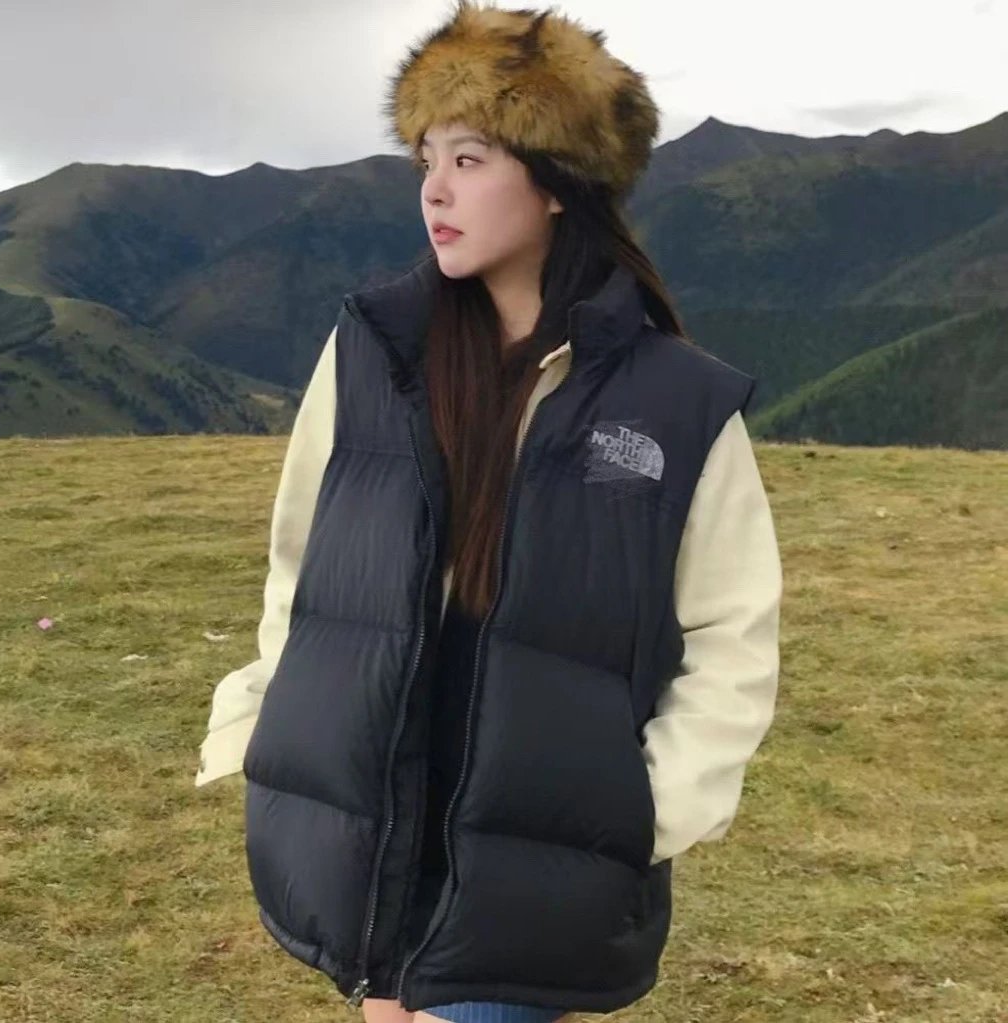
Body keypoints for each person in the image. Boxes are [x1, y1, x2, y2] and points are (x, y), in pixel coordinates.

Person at [195, 2, 783, 1022]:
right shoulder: (373, 351)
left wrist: (643, 809)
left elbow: (733, 634)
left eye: (469, 159)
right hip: (369, 842)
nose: (434, 189)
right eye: (427, 160)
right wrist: (270, 721)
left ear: (556, 184)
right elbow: (304, 568)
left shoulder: (675, 401)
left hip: (540, 864)